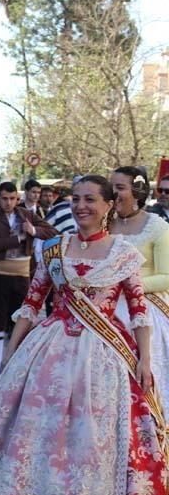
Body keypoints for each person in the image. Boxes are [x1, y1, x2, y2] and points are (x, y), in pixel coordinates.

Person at [0, 175, 167, 495]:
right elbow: (33, 302)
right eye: (75, 199)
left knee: (94, 433)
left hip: (104, 355)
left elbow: (138, 311)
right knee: (33, 427)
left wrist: (145, 359)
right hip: (49, 348)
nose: (81, 206)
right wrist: (10, 352)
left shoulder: (123, 253)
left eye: (90, 199)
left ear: (108, 205)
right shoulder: (54, 249)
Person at [0, 181, 56, 386]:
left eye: (12, 198)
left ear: (17, 198)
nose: (8, 202)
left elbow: (51, 231)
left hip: (22, 273)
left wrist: (33, 230)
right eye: (4, 198)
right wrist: (19, 238)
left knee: (21, 319)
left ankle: (14, 368)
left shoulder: (25, 215)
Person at [110, 166, 169, 421]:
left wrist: (128, 284)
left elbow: (166, 276)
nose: (113, 193)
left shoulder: (157, 226)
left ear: (137, 192)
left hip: (145, 310)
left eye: (120, 188)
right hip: (106, 306)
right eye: (111, 187)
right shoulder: (103, 222)